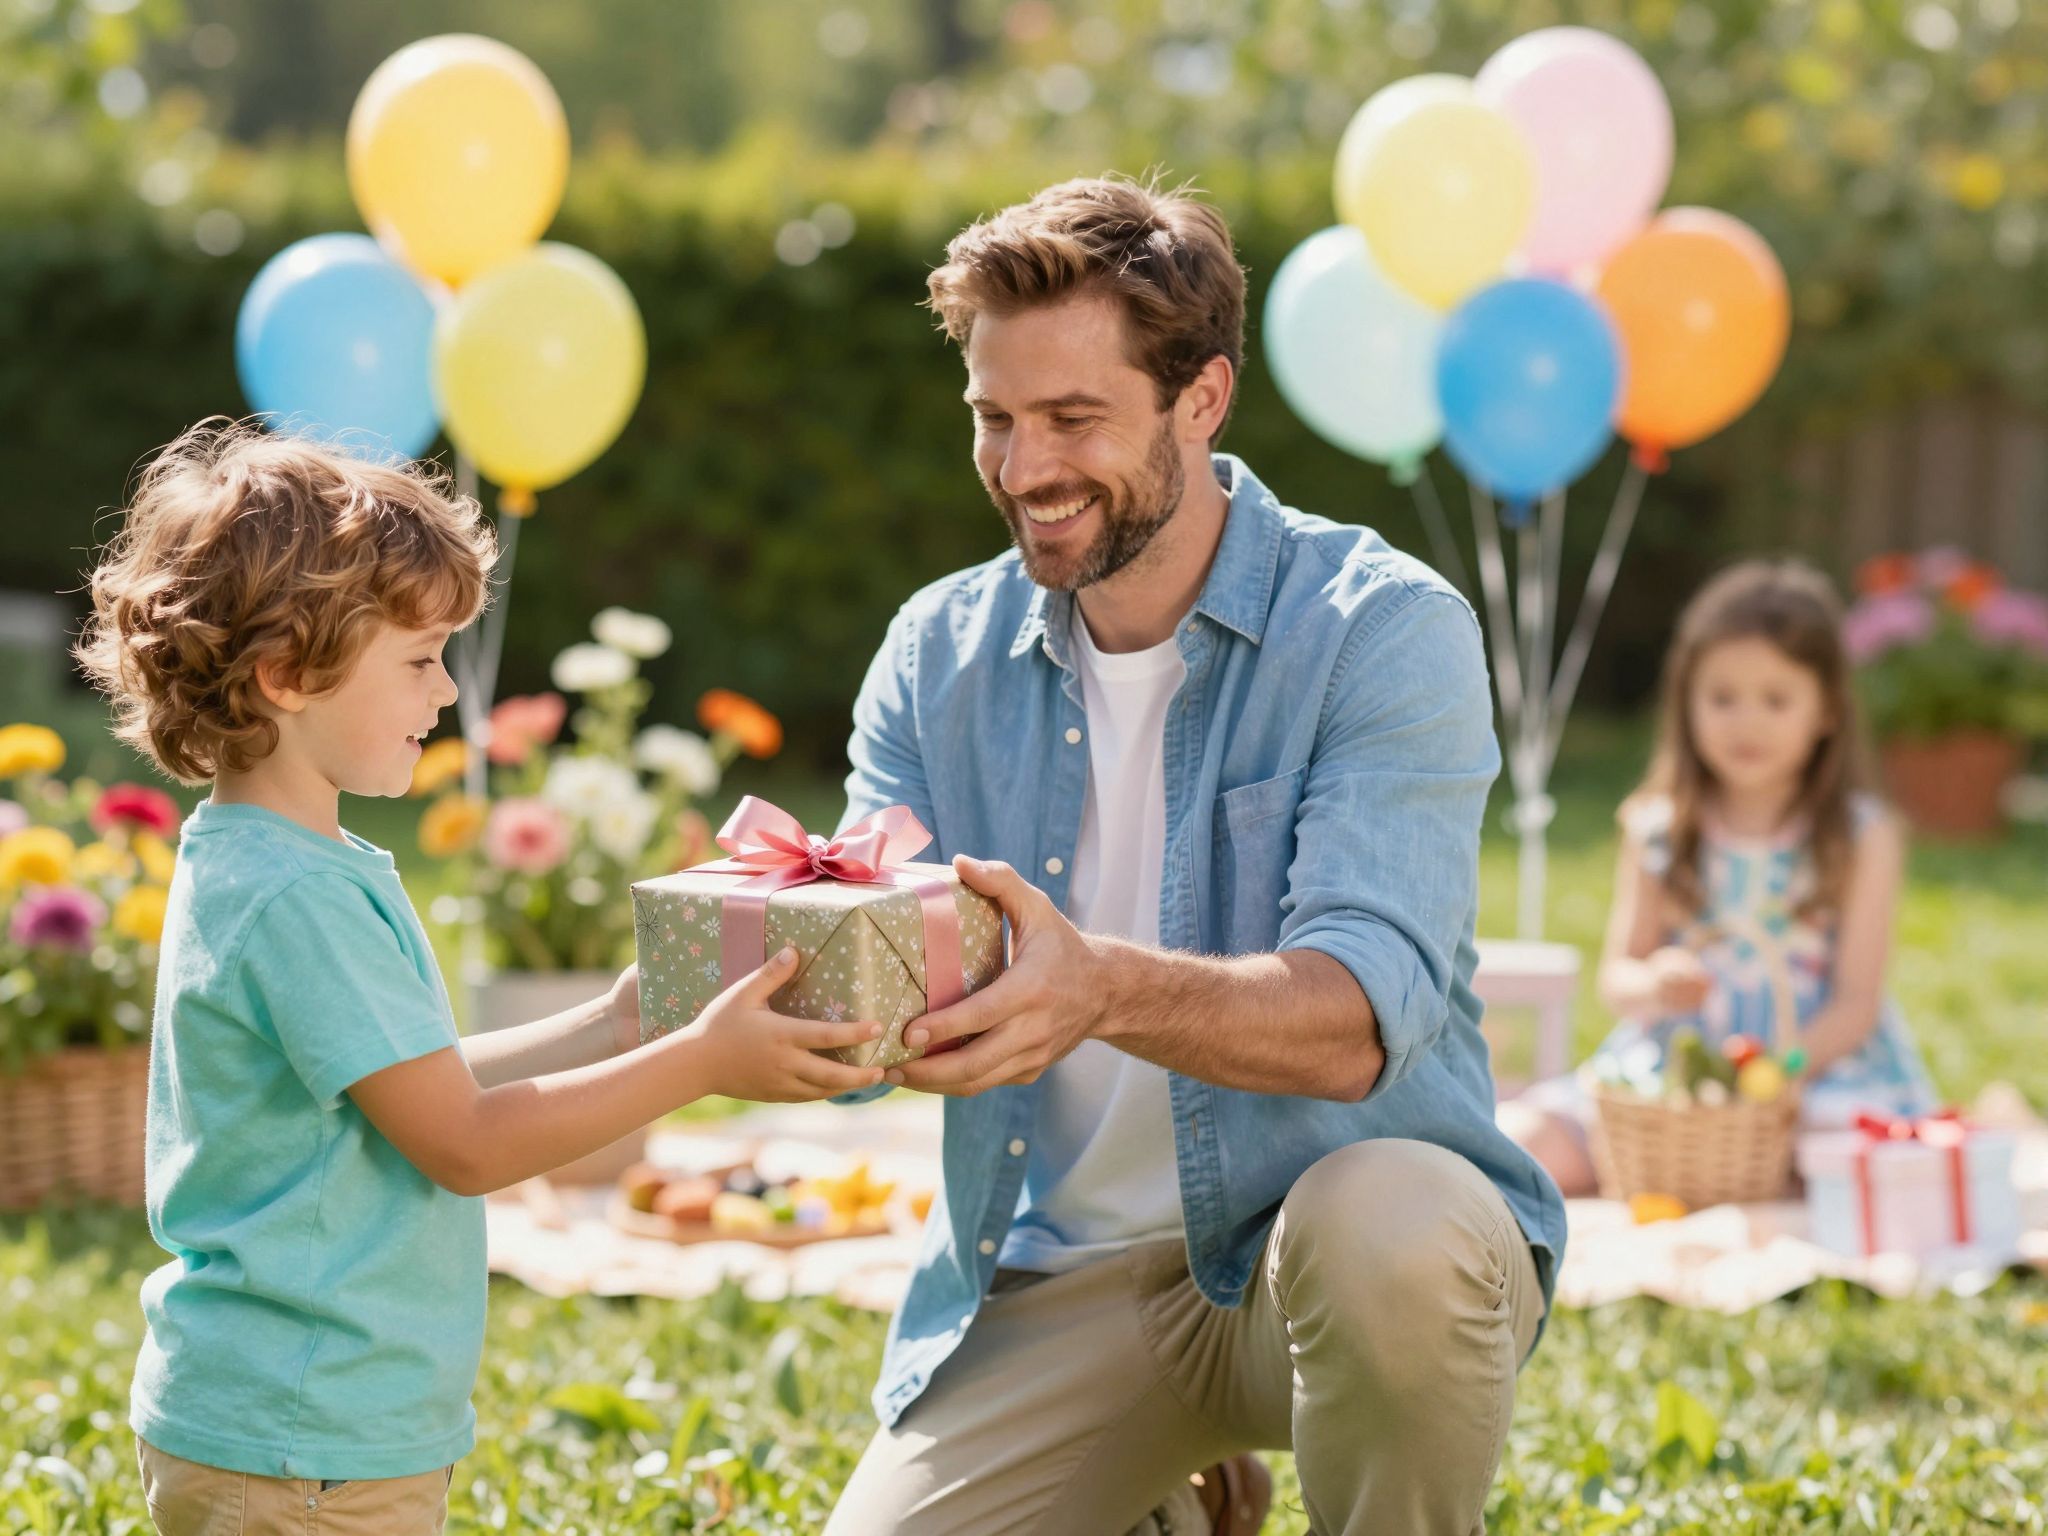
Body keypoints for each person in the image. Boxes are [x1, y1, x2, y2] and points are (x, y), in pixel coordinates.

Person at [822, 176, 1566, 1536]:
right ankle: (1166, 1496)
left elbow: (1353, 1023)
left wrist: (1096, 986)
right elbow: (871, 981)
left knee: (1391, 1225)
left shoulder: (1381, 630)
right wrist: (807, 969)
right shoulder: (935, 653)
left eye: (1073, 419)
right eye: (993, 418)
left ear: (1201, 399)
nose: (1023, 466)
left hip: (1326, 1259)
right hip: (1059, 1276)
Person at [76, 423, 887, 1534]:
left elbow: (414, 1088)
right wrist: (695, 1063)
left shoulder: (274, 861)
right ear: (285, 675)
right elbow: (462, 1142)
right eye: (416, 661)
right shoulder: (296, 897)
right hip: (307, 1442)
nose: (446, 692)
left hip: (298, 1425)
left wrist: (615, 1021)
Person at [1498, 559, 1939, 1197]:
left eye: (1776, 699)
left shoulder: (1861, 834)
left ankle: (1750, 1178)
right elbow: (1618, 978)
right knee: (1526, 1143)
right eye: (1722, 697)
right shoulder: (1657, 825)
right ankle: (1696, 1172)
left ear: (1828, 713)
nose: (1746, 722)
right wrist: (1654, 983)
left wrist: (1777, 1073)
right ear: (1687, 703)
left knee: (1856, 1164)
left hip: (1812, 1070)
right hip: (1676, 1070)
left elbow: (1856, 1003)